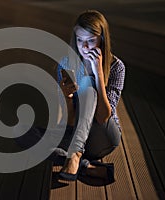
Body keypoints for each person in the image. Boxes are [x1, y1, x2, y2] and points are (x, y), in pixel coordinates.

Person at [56, 10, 125, 181]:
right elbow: (69, 121)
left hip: (103, 136)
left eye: (90, 41)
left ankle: (73, 154)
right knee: (22, 131)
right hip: (76, 132)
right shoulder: (66, 64)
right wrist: (67, 98)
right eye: (79, 40)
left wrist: (99, 74)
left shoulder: (117, 67)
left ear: (102, 40)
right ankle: (85, 166)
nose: (84, 47)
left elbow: (103, 117)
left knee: (87, 86)